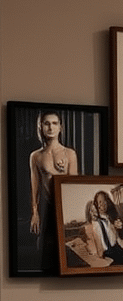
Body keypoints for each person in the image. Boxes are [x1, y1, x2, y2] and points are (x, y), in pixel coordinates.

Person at [29, 110, 78, 267]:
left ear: (60, 128)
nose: (50, 127)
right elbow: (35, 186)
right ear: (41, 127)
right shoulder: (36, 156)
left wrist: (63, 173)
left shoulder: (69, 154)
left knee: (67, 251)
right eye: (46, 123)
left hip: (65, 207)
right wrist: (35, 213)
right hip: (47, 207)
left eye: (54, 123)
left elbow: (74, 187)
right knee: (44, 252)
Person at [86, 197, 123, 265]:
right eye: (91, 210)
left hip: (113, 247)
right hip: (105, 252)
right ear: (88, 212)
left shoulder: (103, 221)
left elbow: (113, 235)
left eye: (96, 210)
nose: (94, 213)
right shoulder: (89, 226)